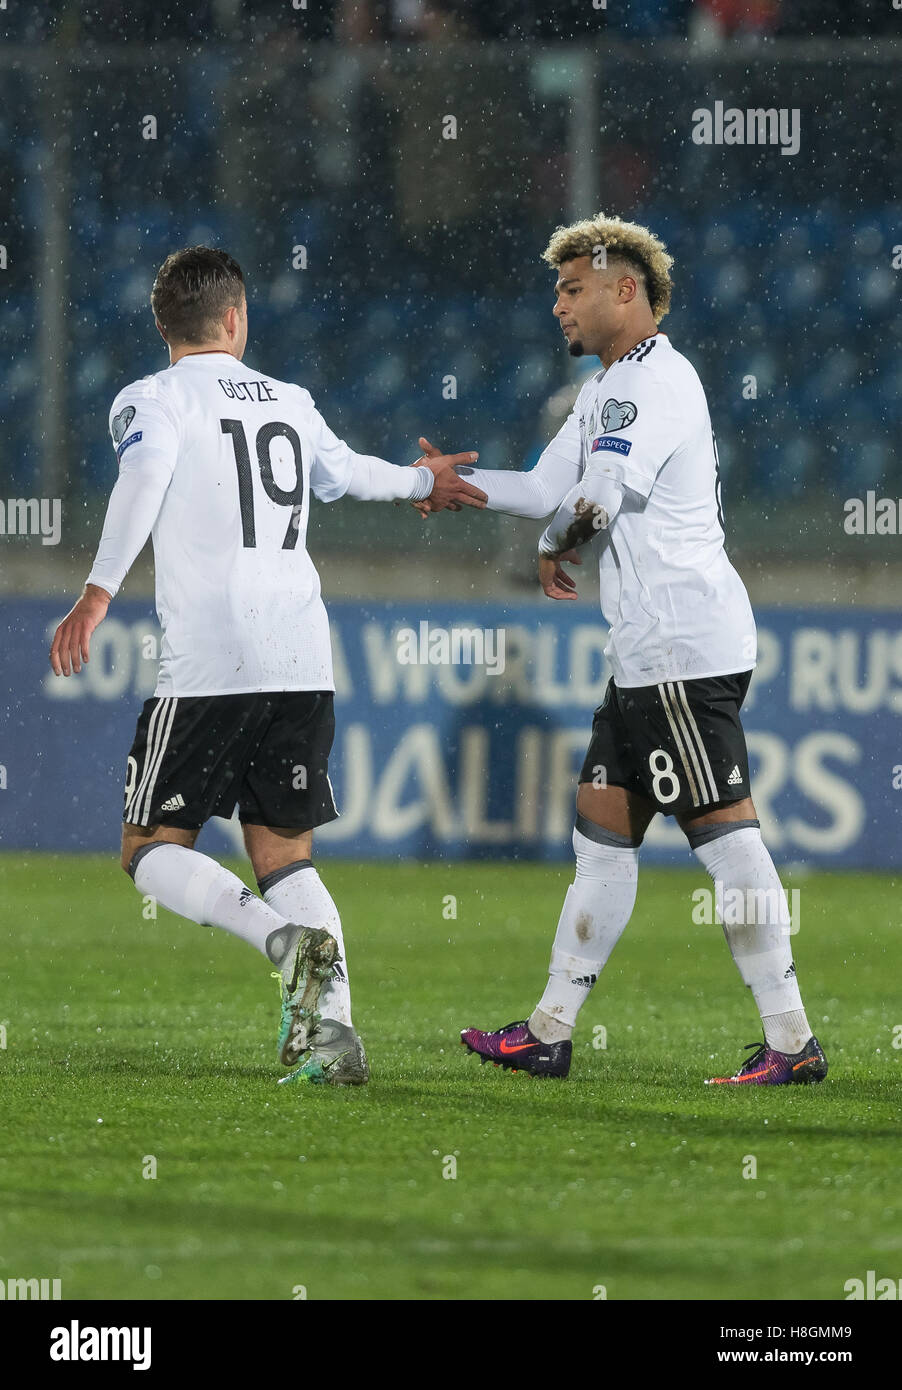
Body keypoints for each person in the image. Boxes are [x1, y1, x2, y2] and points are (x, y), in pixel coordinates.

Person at [49, 245, 485, 1088]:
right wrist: (419, 479)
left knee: (148, 845)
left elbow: (142, 478)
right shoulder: (289, 399)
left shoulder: (152, 397)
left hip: (213, 658)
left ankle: (277, 943)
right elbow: (347, 474)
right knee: (285, 853)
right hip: (301, 655)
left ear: (163, 325)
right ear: (237, 317)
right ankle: (332, 1036)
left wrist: (98, 593)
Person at [421, 213, 826, 1086]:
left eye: (572, 290)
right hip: (648, 653)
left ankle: (792, 1042)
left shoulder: (650, 383)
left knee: (723, 837)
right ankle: (549, 1031)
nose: (559, 307)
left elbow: (596, 501)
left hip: (680, 646)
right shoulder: (612, 386)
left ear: (624, 289)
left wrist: (551, 545)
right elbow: (544, 487)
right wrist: (451, 487)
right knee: (603, 831)